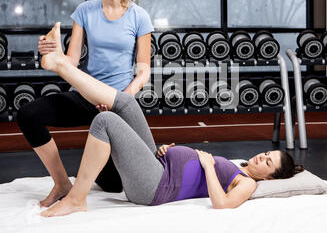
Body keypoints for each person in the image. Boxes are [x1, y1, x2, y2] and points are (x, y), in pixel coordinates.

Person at [36, 27, 303, 217]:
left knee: (105, 121)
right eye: (267, 154)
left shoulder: (249, 183)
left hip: (154, 187)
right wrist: (169, 152)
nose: (261, 157)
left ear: (271, 177)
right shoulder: (241, 168)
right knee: (128, 103)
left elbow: (223, 205)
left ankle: (76, 199)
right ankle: (63, 67)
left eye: (268, 162)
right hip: (158, 166)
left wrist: (208, 166)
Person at [16, 0, 153, 208]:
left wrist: (124, 98)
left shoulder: (139, 17)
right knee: (28, 114)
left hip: (116, 102)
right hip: (85, 96)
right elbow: (72, 61)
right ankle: (61, 183)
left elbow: (144, 69)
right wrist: (52, 52)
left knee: (113, 184)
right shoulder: (85, 11)